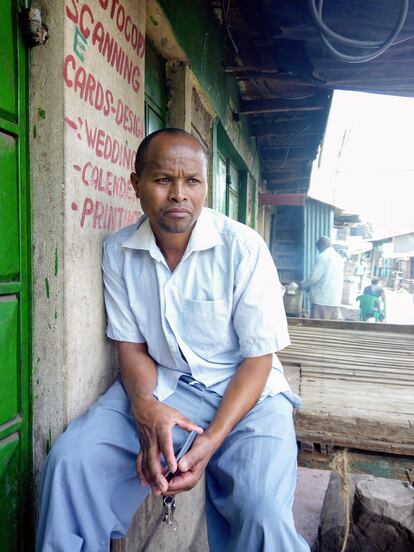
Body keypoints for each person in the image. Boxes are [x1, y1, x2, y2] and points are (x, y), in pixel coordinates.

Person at [36, 128, 309, 552]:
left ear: (205, 186)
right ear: (136, 184)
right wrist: (145, 408)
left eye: (192, 181)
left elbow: (258, 361)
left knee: (263, 514)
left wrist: (210, 443)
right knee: (72, 462)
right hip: (165, 386)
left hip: (250, 395)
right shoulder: (119, 251)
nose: (179, 194)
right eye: (164, 180)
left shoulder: (243, 249)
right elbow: (131, 347)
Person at [301, 236, 344, 320]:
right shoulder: (339, 257)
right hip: (335, 299)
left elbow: (314, 277)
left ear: (321, 245)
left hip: (322, 299)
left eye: (318, 248)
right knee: (330, 326)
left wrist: (303, 285)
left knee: (317, 326)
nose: (318, 251)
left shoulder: (323, 257)